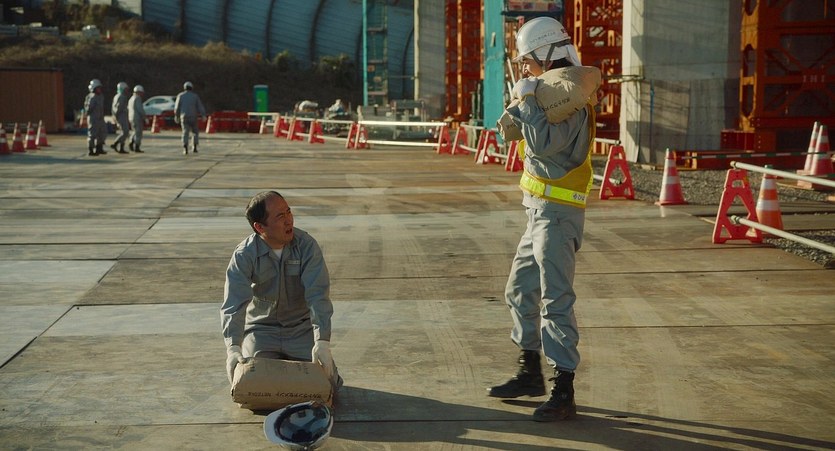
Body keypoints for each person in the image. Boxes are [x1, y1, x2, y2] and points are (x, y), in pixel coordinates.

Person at [487, 16, 597, 422]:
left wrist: (529, 101)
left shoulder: (569, 99)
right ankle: (529, 371)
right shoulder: (549, 93)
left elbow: (544, 145)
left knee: (556, 300)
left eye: (528, 59)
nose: (524, 67)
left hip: (559, 216)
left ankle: (563, 388)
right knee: (519, 290)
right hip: (537, 212)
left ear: (549, 54)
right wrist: (524, 101)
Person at [221, 191, 341, 392]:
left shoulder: (306, 246)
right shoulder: (244, 255)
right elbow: (234, 303)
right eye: (279, 216)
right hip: (262, 331)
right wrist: (233, 348)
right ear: (260, 227)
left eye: (288, 212)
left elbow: (317, 294)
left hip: (300, 329)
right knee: (250, 384)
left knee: (327, 384)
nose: (289, 220)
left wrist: (322, 341)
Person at [174, 81, 206, 155]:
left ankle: (185, 147)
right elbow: (200, 106)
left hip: (184, 117)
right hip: (193, 117)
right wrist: (203, 115)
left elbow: (177, 107)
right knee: (195, 132)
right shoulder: (195, 96)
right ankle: (194, 147)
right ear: (191, 88)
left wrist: (176, 116)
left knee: (185, 132)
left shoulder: (180, 96)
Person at [83, 79, 107, 156]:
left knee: (102, 133)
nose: (99, 90)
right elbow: (88, 109)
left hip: (100, 118)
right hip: (93, 119)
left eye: (100, 88)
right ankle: (90, 149)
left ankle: (99, 148)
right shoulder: (91, 97)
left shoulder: (101, 96)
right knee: (92, 134)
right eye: (98, 88)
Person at [109, 81, 130, 154]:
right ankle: (116, 143)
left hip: (120, 116)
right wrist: (117, 116)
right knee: (125, 132)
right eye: (126, 89)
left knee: (124, 132)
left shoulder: (117, 96)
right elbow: (119, 107)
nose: (127, 91)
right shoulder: (122, 97)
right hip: (121, 116)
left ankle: (121, 147)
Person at [127, 85, 147, 153]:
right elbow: (140, 109)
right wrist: (144, 116)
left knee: (134, 131)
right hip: (137, 118)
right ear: (138, 92)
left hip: (131, 117)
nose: (142, 94)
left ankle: (131, 142)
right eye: (141, 92)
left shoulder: (131, 98)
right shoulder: (137, 98)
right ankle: (137, 146)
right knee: (138, 133)